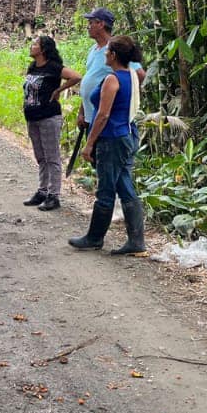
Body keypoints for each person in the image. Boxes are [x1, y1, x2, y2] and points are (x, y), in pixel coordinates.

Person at [68, 35, 147, 255]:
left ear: (113, 55)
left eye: (108, 51)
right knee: (124, 185)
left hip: (111, 138)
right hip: (125, 135)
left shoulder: (112, 80)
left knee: (106, 189)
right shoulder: (130, 75)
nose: (104, 53)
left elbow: (103, 115)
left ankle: (94, 237)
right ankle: (136, 241)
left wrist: (89, 144)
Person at [21, 35, 80, 211]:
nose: (32, 46)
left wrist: (59, 90)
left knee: (51, 156)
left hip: (48, 116)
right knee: (40, 156)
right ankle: (42, 190)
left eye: (35, 44)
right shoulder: (33, 67)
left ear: (44, 49)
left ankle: (54, 195)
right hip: (33, 116)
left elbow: (76, 76)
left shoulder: (53, 67)